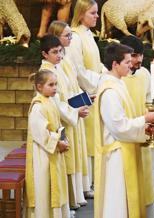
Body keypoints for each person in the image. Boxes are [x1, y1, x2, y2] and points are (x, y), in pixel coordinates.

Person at [93, 43, 154, 218]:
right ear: (115, 64)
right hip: (116, 155)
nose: (131, 65)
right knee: (118, 204)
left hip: (124, 150)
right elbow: (119, 127)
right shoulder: (110, 91)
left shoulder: (118, 84)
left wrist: (143, 127)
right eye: (127, 62)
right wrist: (144, 120)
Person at [39, 34, 90, 211]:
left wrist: (80, 104)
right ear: (45, 54)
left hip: (67, 115)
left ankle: (69, 201)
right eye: (55, 52)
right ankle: (64, 203)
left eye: (60, 51)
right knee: (63, 162)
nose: (59, 55)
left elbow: (65, 94)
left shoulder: (56, 66)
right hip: (59, 122)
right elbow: (56, 101)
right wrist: (75, 112)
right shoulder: (46, 72)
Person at [68, 0, 106, 198]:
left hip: (95, 89)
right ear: (81, 14)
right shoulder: (75, 37)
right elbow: (79, 69)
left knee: (94, 136)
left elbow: (97, 65)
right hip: (85, 92)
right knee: (88, 138)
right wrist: (99, 82)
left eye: (97, 13)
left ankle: (94, 179)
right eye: (93, 13)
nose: (97, 16)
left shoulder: (88, 34)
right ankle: (86, 183)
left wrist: (108, 75)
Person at [25, 69, 70, 218]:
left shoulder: (49, 101)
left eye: (56, 84)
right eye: (51, 85)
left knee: (55, 187)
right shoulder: (38, 106)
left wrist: (63, 138)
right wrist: (58, 143)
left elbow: (56, 125)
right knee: (44, 189)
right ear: (39, 87)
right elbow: (40, 133)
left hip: (53, 150)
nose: (55, 88)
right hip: (43, 154)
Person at [120, 35, 154, 217]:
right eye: (134, 55)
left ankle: (145, 207)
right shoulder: (116, 77)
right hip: (124, 132)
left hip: (142, 129)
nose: (139, 60)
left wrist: (150, 119)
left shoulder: (145, 74)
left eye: (140, 55)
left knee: (144, 173)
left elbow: (149, 100)